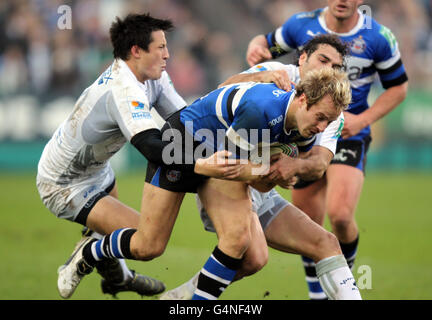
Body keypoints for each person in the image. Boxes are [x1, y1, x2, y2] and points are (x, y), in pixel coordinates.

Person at [36, 13, 241, 299]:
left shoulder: (150, 76)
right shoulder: (124, 88)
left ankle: (119, 279)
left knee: (129, 239)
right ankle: (87, 251)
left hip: (99, 172)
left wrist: (231, 147)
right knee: (147, 242)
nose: (168, 55)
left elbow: (185, 122)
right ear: (136, 51)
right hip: (64, 184)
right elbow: (150, 146)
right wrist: (201, 164)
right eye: (161, 48)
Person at [160, 34, 360, 300]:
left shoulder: (328, 110)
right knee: (234, 245)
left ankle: (181, 297)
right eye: (323, 60)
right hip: (215, 159)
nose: (328, 70)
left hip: (249, 167)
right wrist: (273, 171)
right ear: (303, 58)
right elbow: (224, 91)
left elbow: (319, 163)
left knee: (319, 245)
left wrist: (292, 166)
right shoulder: (270, 82)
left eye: (336, 67)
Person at [246, 0, 408, 299]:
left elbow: (399, 87)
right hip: (306, 131)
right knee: (309, 223)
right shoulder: (300, 25)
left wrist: (362, 120)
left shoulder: (378, 37)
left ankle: (344, 281)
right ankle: (318, 295)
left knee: (341, 216)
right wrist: (255, 48)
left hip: (347, 133)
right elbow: (263, 45)